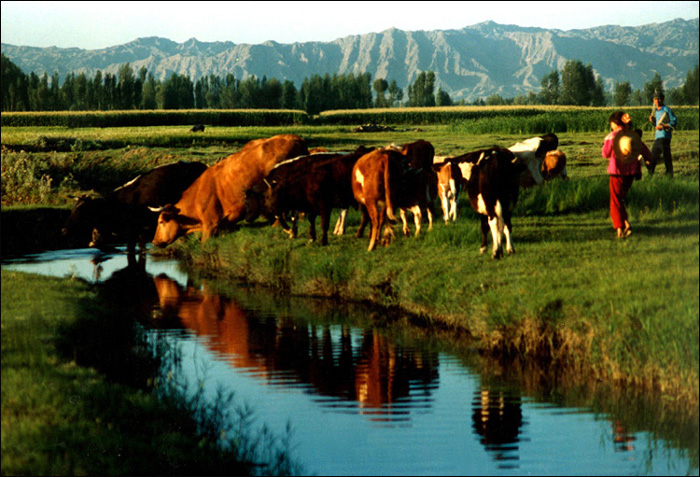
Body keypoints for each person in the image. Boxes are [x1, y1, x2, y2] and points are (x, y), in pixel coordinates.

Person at [602, 111, 652, 239]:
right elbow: (646, 151)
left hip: (616, 173)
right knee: (620, 200)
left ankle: (619, 229)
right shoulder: (633, 135)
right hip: (631, 174)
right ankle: (625, 223)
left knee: (615, 201)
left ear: (615, 122)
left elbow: (605, 154)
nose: (611, 125)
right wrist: (648, 159)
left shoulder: (611, 136)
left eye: (611, 123)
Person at [647, 90, 677, 176]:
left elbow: (674, 122)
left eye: (659, 99)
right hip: (658, 137)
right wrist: (653, 121)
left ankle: (669, 175)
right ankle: (650, 174)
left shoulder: (667, 110)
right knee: (652, 157)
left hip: (665, 137)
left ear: (662, 99)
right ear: (653, 101)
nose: (658, 101)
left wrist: (664, 126)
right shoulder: (655, 111)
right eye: (656, 99)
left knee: (666, 157)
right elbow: (656, 124)